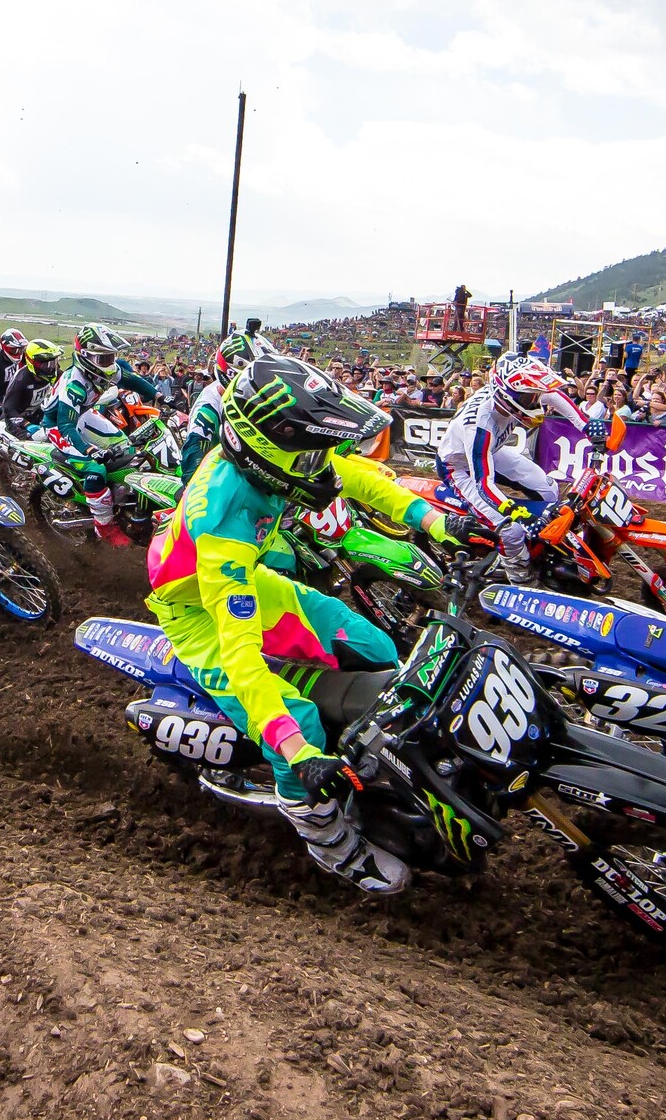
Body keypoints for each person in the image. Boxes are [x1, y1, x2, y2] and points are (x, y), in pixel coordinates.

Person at [148, 357, 476, 895]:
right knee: (295, 721)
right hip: (198, 611)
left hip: (252, 579)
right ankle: (326, 838)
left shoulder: (275, 457)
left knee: (373, 646)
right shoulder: (225, 522)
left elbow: (360, 479)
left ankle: (369, 762)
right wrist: (300, 753)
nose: (324, 465)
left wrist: (440, 523)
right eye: (314, 454)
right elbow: (240, 654)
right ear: (272, 452)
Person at [436, 353, 586, 582]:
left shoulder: (509, 396)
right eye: (530, 398)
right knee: (511, 529)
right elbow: (484, 484)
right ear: (509, 396)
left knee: (548, 490)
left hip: (492, 452)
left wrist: (587, 425)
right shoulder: (479, 426)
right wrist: (518, 515)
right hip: (458, 468)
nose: (536, 401)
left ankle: (538, 548)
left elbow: (552, 395)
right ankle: (520, 577)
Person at [38, 324, 163, 546]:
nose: (109, 363)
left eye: (111, 357)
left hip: (85, 415)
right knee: (96, 468)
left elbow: (130, 380)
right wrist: (89, 450)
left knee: (128, 449)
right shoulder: (74, 384)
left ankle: (122, 498)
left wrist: (159, 395)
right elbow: (66, 425)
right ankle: (104, 525)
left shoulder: (107, 368)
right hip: (59, 424)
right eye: (104, 358)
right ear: (86, 357)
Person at [179, 329, 271, 479]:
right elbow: (194, 450)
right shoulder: (209, 408)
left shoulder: (248, 400)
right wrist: (193, 482)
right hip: (219, 478)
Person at [1, 339, 63, 435]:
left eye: (53, 362)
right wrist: (26, 424)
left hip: (36, 413)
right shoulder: (21, 380)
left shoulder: (56, 373)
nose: (50, 367)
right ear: (32, 363)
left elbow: (68, 384)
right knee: (28, 443)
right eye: (45, 364)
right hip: (16, 419)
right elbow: (9, 409)